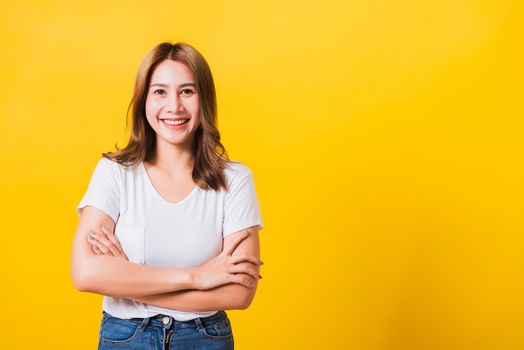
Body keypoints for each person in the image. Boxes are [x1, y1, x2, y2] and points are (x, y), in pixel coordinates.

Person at [70, 42, 264, 350]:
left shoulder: (235, 180)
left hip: (205, 338)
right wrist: (197, 277)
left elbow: (239, 294)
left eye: (187, 91)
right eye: (160, 91)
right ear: (143, 99)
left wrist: (128, 278)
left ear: (205, 100)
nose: (174, 106)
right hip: (126, 338)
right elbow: (85, 273)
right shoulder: (114, 172)